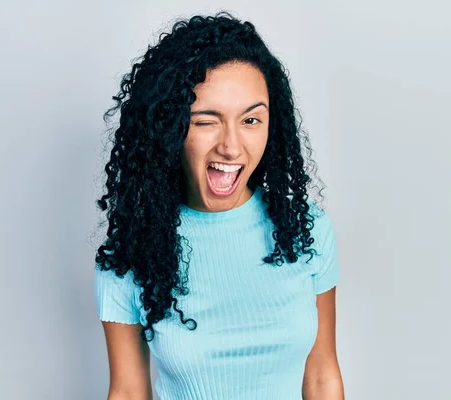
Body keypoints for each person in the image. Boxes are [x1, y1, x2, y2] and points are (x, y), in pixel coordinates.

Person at [94, 11, 343, 400]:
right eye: (206, 121)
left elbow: (322, 373)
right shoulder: (133, 250)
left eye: (251, 120)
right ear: (170, 127)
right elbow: (128, 391)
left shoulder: (304, 230)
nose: (231, 145)